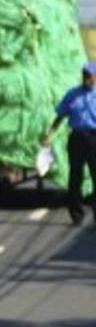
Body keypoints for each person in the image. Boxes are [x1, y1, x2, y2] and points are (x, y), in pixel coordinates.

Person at [43, 62, 96, 225]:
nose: (87, 78)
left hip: (95, 138)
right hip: (77, 138)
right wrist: (50, 134)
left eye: (90, 75)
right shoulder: (73, 94)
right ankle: (76, 213)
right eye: (85, 75)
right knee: (75, 177)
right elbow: (60, 115)